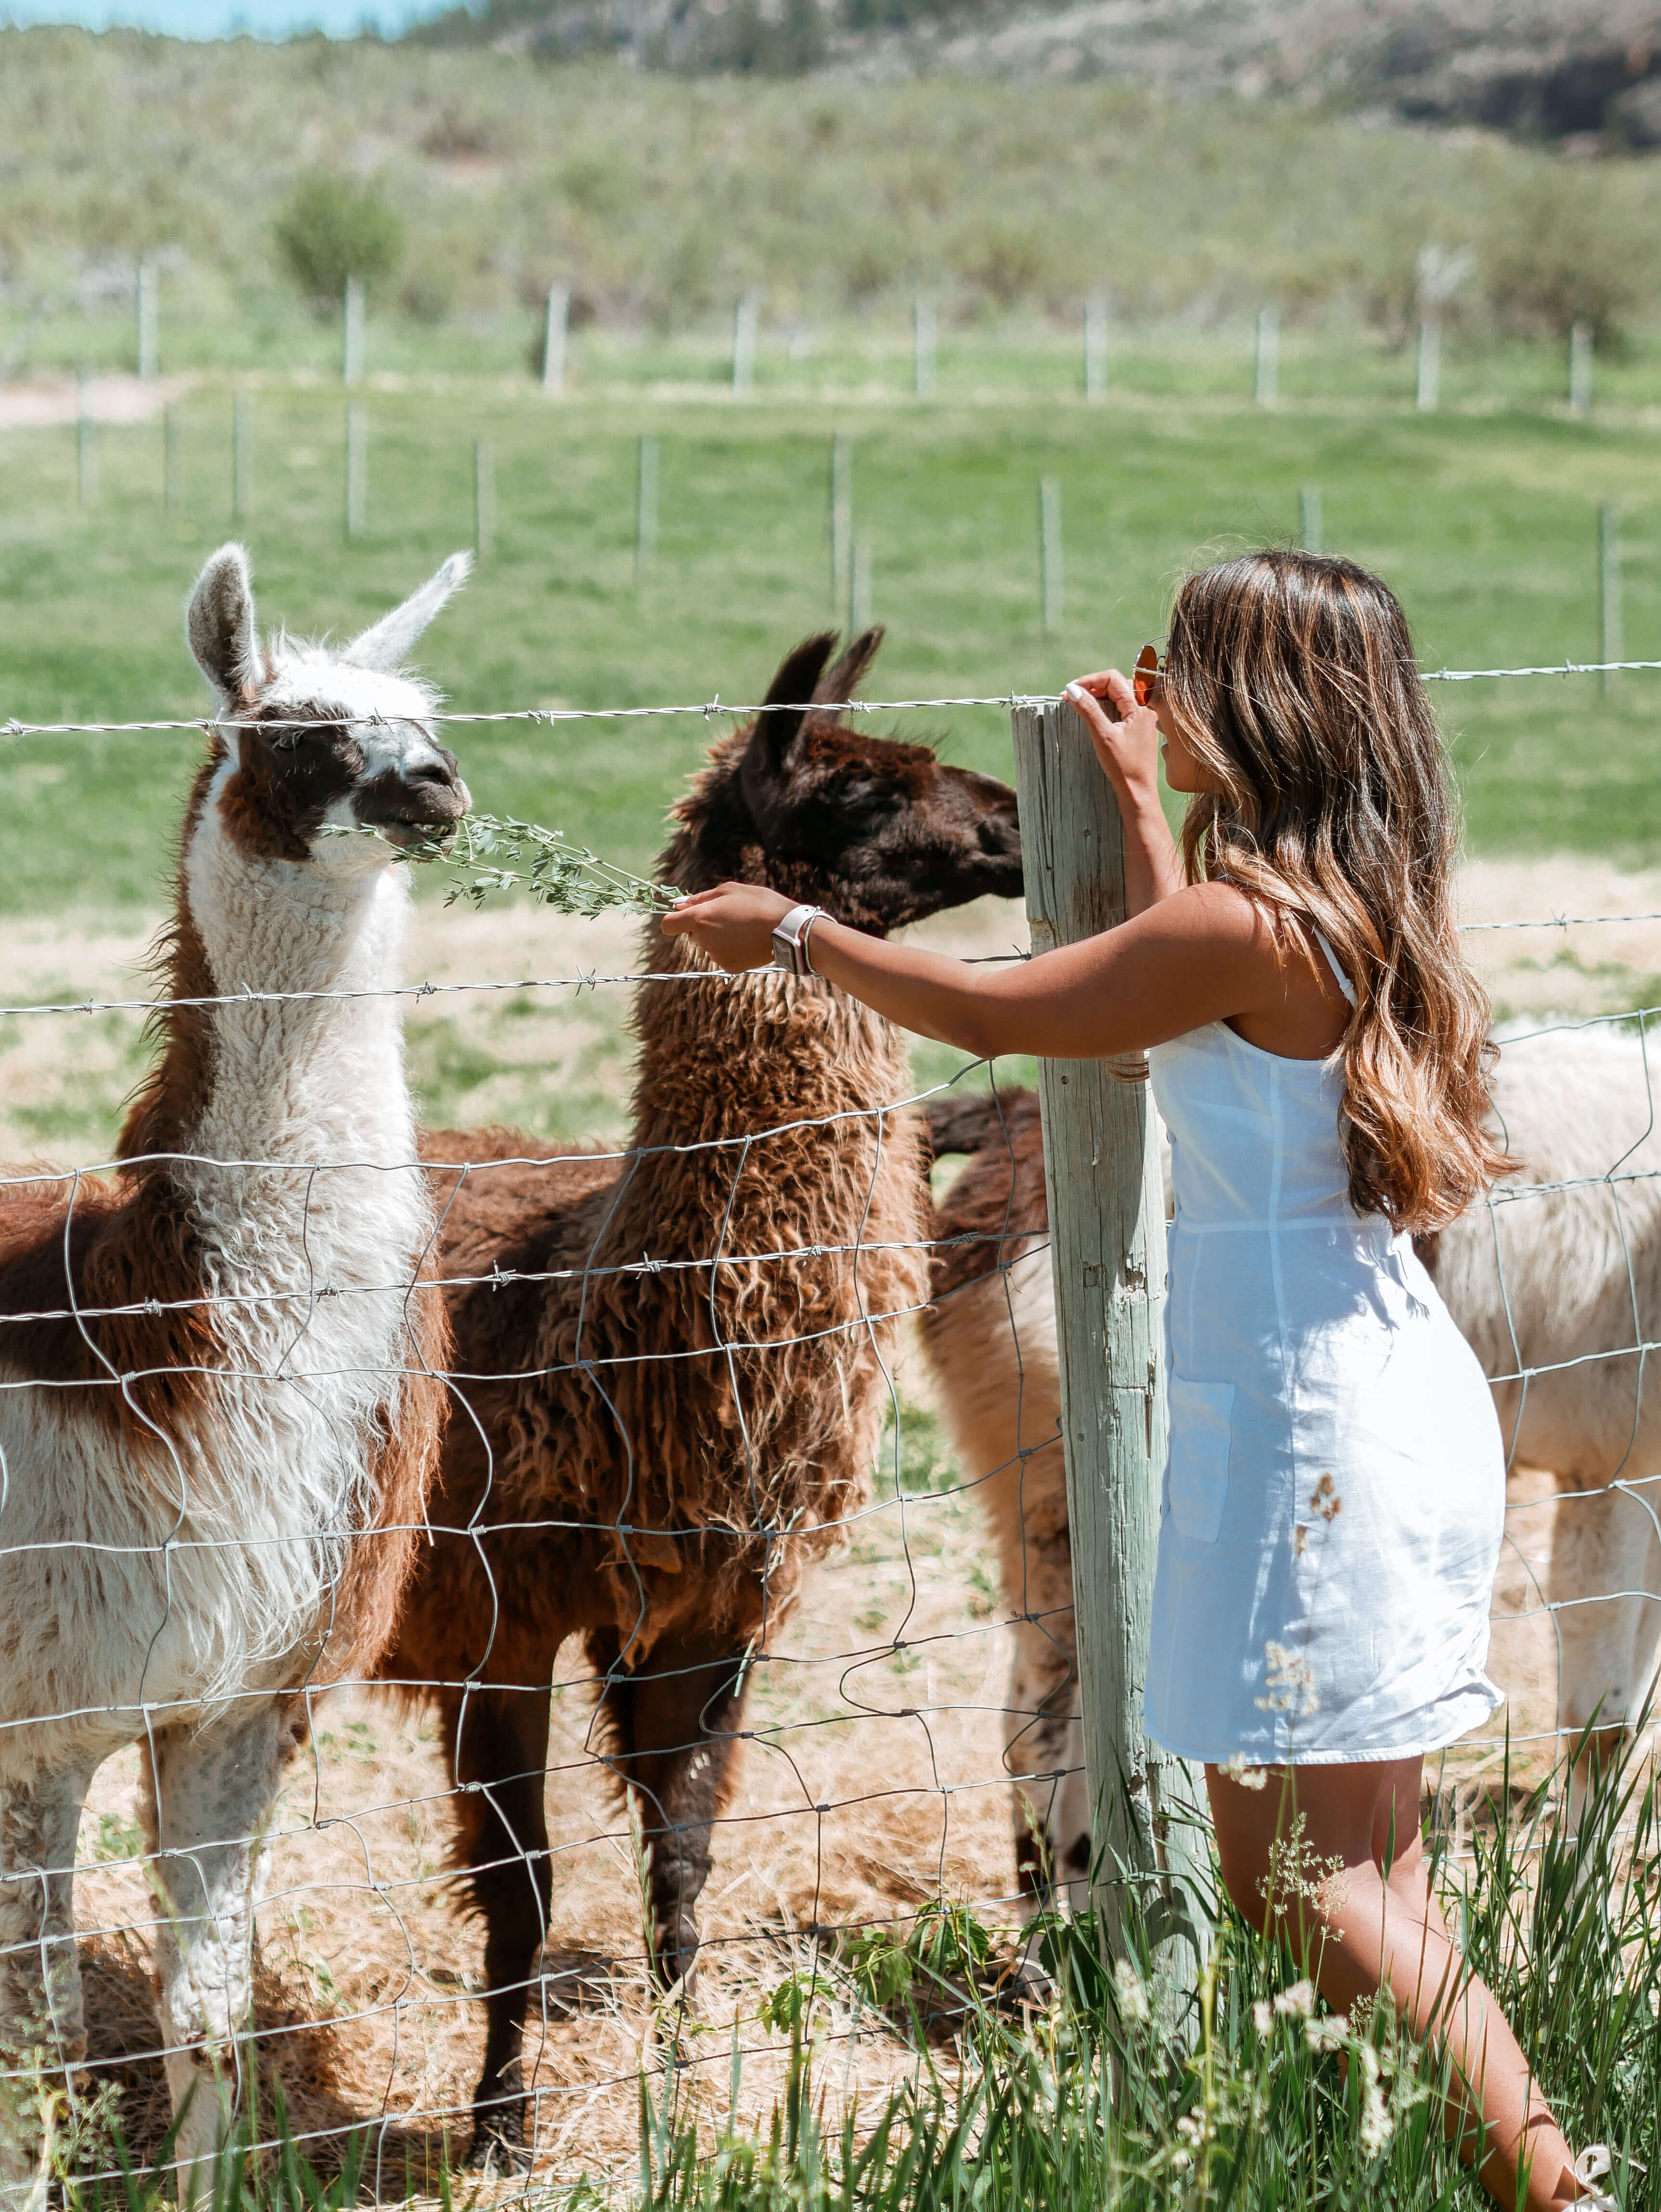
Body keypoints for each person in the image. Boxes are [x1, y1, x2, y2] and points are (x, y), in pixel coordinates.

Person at [662, 549, 1617, 2210]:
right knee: (1364, 1874)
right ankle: (1506, 2170)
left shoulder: (1251, 925)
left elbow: (1016, 1011)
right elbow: (1158, 1006)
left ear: (1258, 705)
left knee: (1314, 1890)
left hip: (1310, 1436)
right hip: (1376, 1400)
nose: (1150, 677)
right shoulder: (1339, 907)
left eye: (1181, 662)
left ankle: (1556, 2193)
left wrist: (798, 933)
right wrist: (1127, 789)